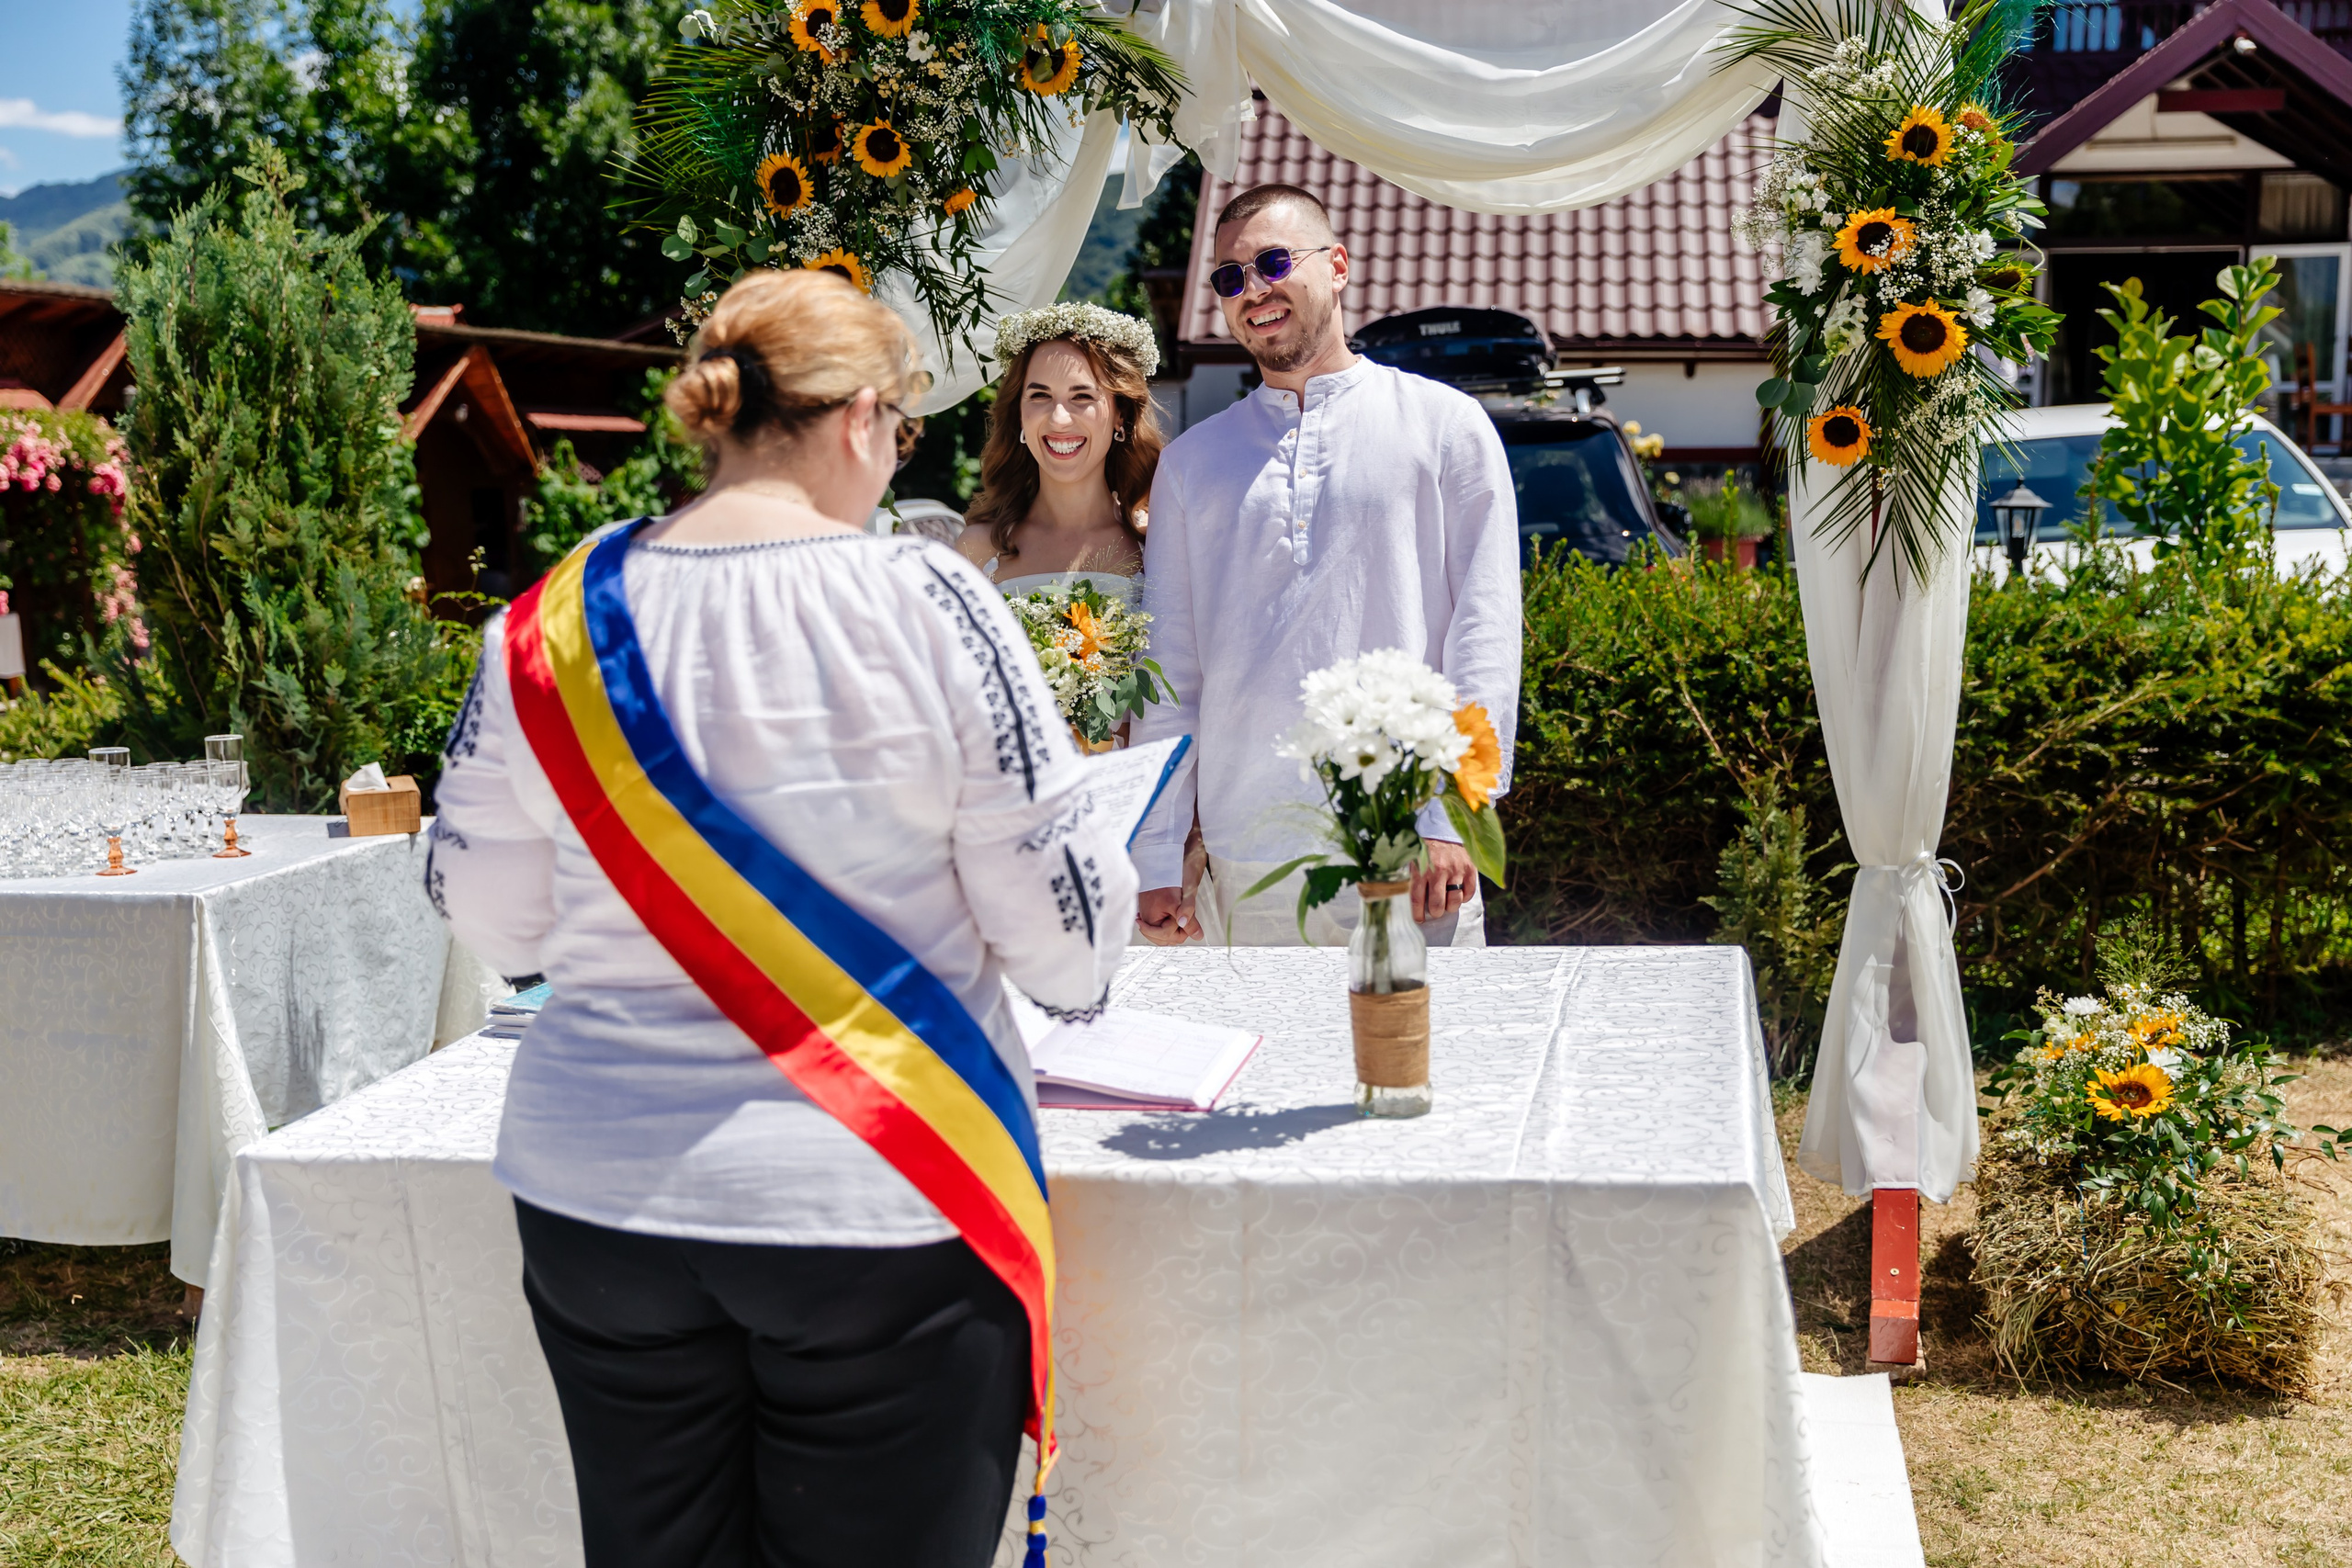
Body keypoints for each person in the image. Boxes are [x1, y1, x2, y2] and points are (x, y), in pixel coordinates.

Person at [427, 267, 1136, 1568]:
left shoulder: (548, 619)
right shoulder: (936, 605)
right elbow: (1066, 936)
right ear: (864, 415)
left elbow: (486, 908)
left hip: (601, 1203)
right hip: (876, 1195)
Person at [1129, 183, 1521, 948]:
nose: (1254, 290)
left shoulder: (1446, 427)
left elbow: (1484, 636)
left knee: (1421, 1068)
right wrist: (1157, 849)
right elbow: (1171, 677)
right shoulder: (1189, 465)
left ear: (1337, 265)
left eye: (1274, 261)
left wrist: (1455, 813)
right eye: (1230, 277)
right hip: (1249, 866)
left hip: (1411, 853)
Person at [956, 300, 1166, 609]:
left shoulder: (1156, 544)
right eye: (1040, 396)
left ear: (1121, 414)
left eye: (1081, 396)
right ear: (1019, 414)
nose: (1058, 419)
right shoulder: (977, 549)